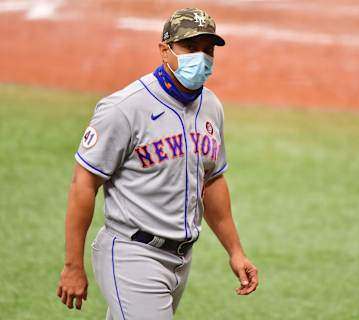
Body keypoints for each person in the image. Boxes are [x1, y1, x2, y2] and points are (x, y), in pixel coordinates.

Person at [56, 8, 258, 319]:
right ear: (164, 50)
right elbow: (84, 184)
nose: (201, 58)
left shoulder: (211, 107)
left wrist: (235, 250)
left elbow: (213, 180)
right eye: (190, 48)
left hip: (180, 258)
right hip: (131, 254)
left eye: (208, 50)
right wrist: (72, 266)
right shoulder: (124, 109)